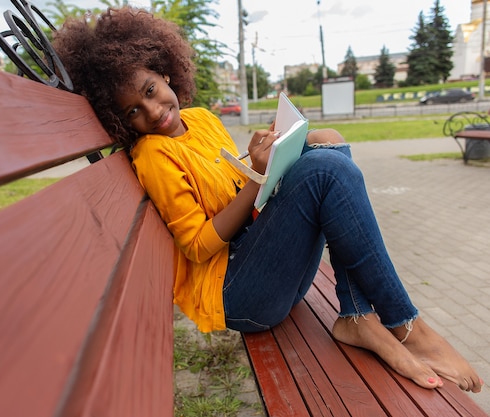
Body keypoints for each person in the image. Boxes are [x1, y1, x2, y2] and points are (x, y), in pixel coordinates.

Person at [52, 6, 483, 393]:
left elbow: (235, 186)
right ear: (121, 121)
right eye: (132, 112)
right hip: (238, 295)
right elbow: (197, 245)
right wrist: (258, 180)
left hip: (258, 262)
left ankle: (357, 316)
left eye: (149, 90)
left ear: (164, 72)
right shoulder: (153, 154)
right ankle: (408, 328)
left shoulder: (200, 119)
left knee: (326, 143)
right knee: (326, 171)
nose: (152, 111)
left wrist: (269, 159)